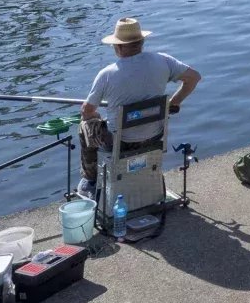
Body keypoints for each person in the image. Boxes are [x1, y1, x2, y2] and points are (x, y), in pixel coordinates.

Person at [77, 17, 201, 201]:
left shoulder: (107, 74)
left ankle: (90, 181)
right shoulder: (164, 61)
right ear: (141, 42)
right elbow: (194, 77)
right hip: (154, 136)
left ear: (118, 47)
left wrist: (93, 115)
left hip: (121, 142)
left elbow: (87, 110)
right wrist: (174, 103)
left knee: (85, 126)